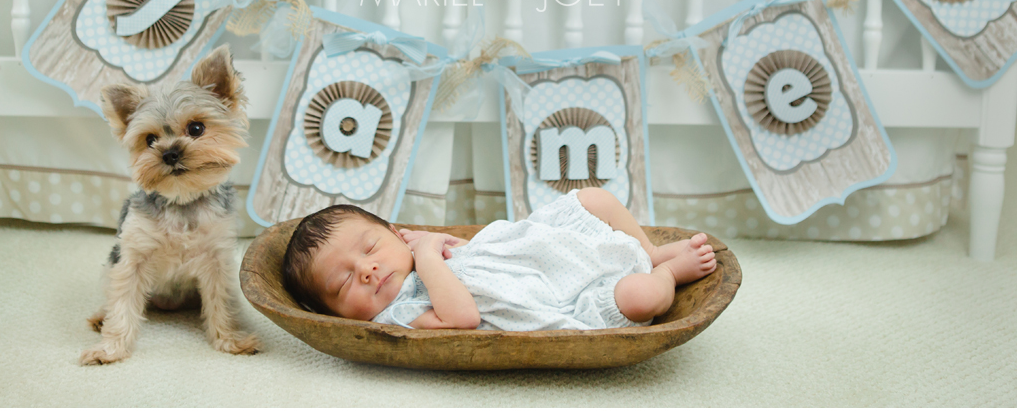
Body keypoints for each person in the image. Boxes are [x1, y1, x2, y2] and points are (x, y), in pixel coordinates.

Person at [280, 187, 717, 331]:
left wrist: (432, 243)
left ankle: (647, 248)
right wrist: (429, 254)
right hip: (569, 301)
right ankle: (666, 270)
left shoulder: (416, 250)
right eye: (343, 285)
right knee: (640, 297)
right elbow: (463, 315)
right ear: (334, 315)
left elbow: (471, 251)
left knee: (592, 199)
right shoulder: (398, 317)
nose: (367, 270)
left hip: (540, 255)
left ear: (396, 233)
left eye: (371, 249)